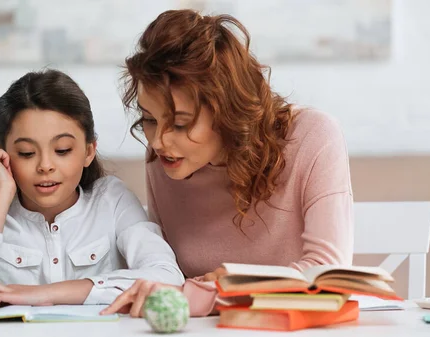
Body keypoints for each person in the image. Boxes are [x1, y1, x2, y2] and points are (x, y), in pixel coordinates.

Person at [101, 9, 354, 317]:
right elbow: (168, 274)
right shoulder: (165, 159)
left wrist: (218, 288)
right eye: (149, 119)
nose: (158, 142)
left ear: (228, 114)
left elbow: (328, 276)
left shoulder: (313, 137)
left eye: (180, 124)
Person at [0, 69, 184, 312]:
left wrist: (47, 294)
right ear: (3, 155)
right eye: (26, 153)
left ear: (89, 151)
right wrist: (1, 194)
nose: (45, 166)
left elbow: (167, 276)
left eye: (62, 150)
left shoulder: (111, 200)